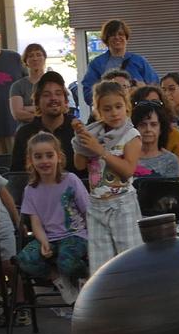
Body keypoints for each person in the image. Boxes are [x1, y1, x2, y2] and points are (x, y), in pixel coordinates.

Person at [73, 81, 142, 267]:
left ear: (126, 107)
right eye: (107, 109)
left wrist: (101, 151)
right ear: (98, 111)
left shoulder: (131, 135)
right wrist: (81, 142)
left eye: (118, 106)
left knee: (130, 259)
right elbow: (79, 165)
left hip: (122, 204)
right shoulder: (94, 134)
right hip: (96, 205)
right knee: (100, 264)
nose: (114, 113)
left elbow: (127, 171)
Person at [17, 133, 90, 306]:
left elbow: (88, 210)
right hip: (49, 236)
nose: (44, 161)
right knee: (25, 259)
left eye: (49, 155)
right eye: (38, 156)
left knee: (67, 260)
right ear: (31, 160)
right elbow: (35, 223)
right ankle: (58, 279)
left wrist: (93, 238)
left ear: (59, 157)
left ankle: (85, 277)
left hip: (75, 235)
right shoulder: (31, 190)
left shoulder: (70, 180)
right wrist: (44, 242)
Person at [11, 75, 76, 176]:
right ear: (37, 102)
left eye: (58, 94)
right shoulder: (24, 133)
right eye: (46, 95)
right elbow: (17, 175)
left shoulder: (78, 131)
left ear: (66, 100)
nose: (53, 98)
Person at [80, 20, 157, 104]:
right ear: (106, 39)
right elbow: (88, 95)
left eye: (121, 34)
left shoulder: (139, 61)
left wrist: (142, 89)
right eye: (112, 35)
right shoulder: (97, 64)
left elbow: (156, 87)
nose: (117, 37)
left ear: (126, 37)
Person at [131, 101, 179, 178]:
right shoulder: (126, 157)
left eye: (153, 125)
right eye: (142, 125)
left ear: (161, 128)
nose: (148, 129)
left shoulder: (170, 160)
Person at [9, 43, 51, 125]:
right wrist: (45, 116)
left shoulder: (52, 82)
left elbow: (61, 108)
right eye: (31, 56)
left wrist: (26, 108)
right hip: (26, 132)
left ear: (44, 58)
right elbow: (17, 114)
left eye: (38, 55)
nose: (35, 59)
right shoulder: (17, 86)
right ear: (25, 61)